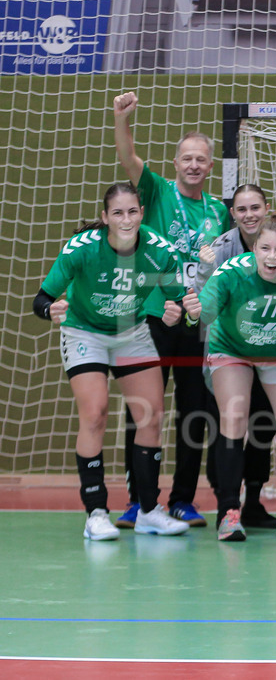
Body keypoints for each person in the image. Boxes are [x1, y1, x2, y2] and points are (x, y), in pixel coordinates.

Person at [34, 183, 190, 539]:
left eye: (132, 211)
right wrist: (51, 309)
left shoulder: (160, 252)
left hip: (130, 332)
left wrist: (175, 314)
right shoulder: (82, 250)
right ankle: (96, 513)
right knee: (95, 413)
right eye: (118, 212)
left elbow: (179, 303)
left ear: (142, 214)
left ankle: (148, 510)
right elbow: (41, 299)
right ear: (105, 218)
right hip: (84, 332)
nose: (126, 219)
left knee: (151, 415)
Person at [112, 91, 231, 528]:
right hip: (153, 316)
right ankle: (139, 500)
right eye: (187, 159)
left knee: (195, 410)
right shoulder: (158, 191)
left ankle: (183, 499)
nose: (194, 165)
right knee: (144, 408)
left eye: (202, 159)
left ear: (210, 166)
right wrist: (123, 119)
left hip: (198, 322)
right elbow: (128, 158)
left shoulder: (220, 211)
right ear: (177, 162)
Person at [184, 213, 276, 541]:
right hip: (233, 350)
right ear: (254, 248)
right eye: (265, 248)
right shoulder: (232, 272)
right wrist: (194, 310)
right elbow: (205, 311)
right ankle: (228, 513)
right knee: (235, 417)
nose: (271, 256)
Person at [193, 184, 276, 529]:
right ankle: (227, 503)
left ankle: (254, 502)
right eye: (242, 209)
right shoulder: (221, 249)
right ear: (233, 214)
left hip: (271, 347)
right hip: (230, 349)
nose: (249, 215)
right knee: (230, 423)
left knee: (264, 424)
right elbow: (205, 303)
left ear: (266, 207)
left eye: (255, 207)